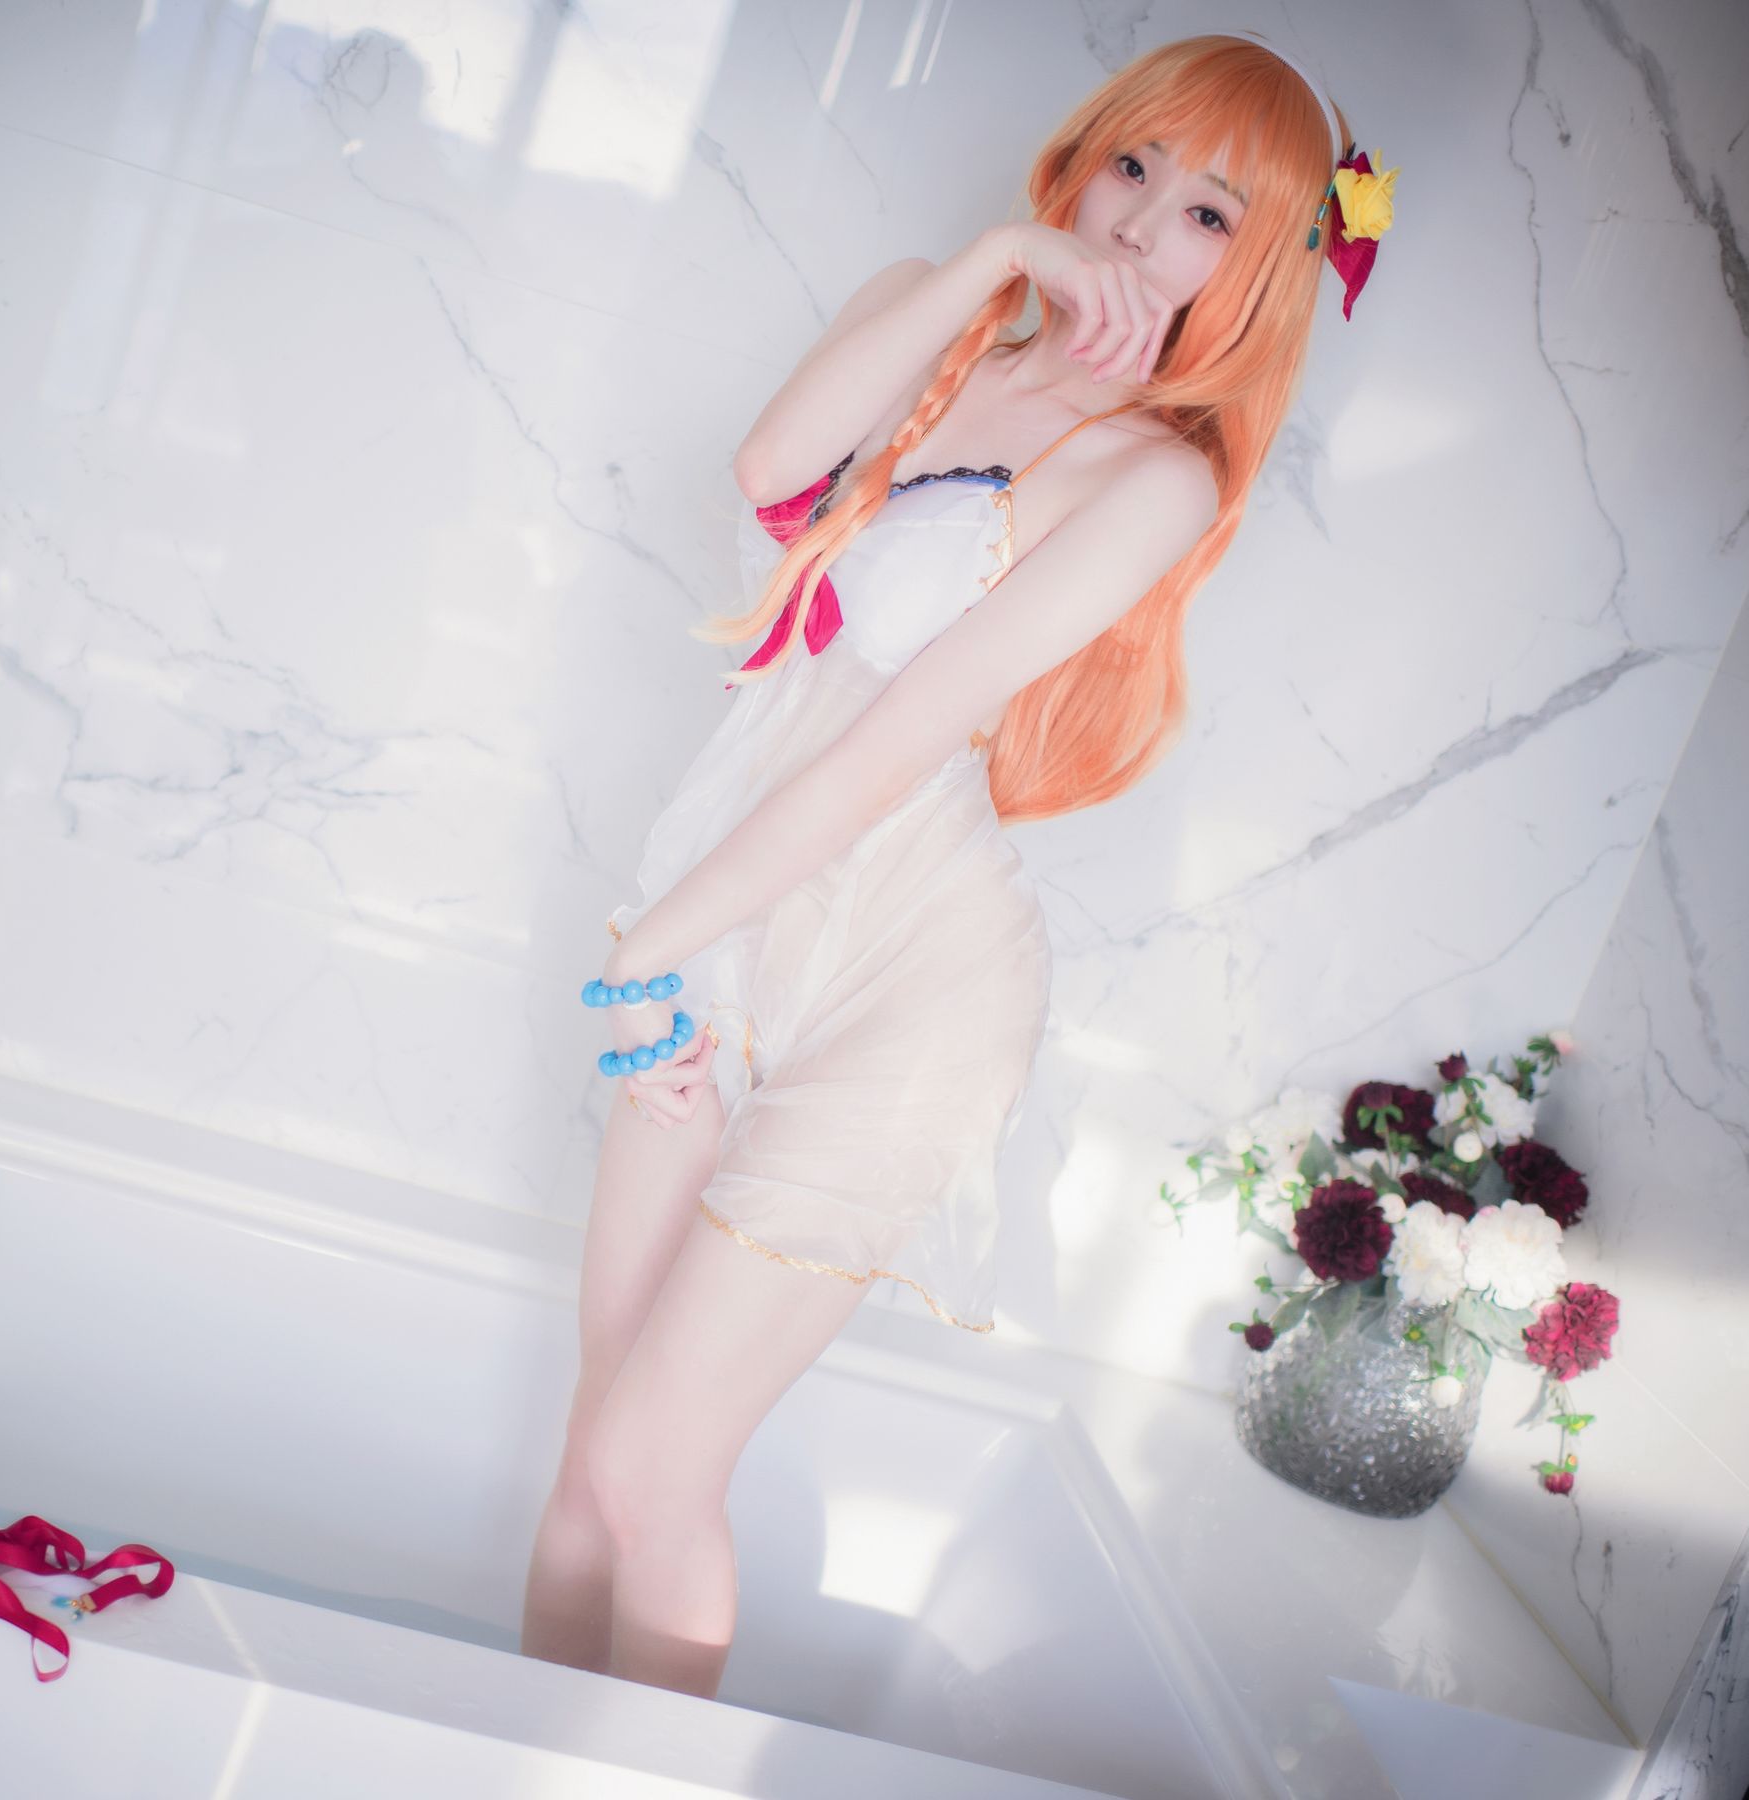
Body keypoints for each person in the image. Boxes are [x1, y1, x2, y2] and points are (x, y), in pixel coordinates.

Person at [522, 33, 1387, 1700]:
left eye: (1210, 211)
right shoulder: (938, 313)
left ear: (1259, 266)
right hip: (727, 914)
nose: (1142, 222)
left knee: (652, 1472)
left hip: (900, 984)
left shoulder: (1158, 477)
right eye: (1134, 164)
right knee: (590, 1445)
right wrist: (995, 258)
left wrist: (650, 945)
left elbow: (890, 743)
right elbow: (767, 473)